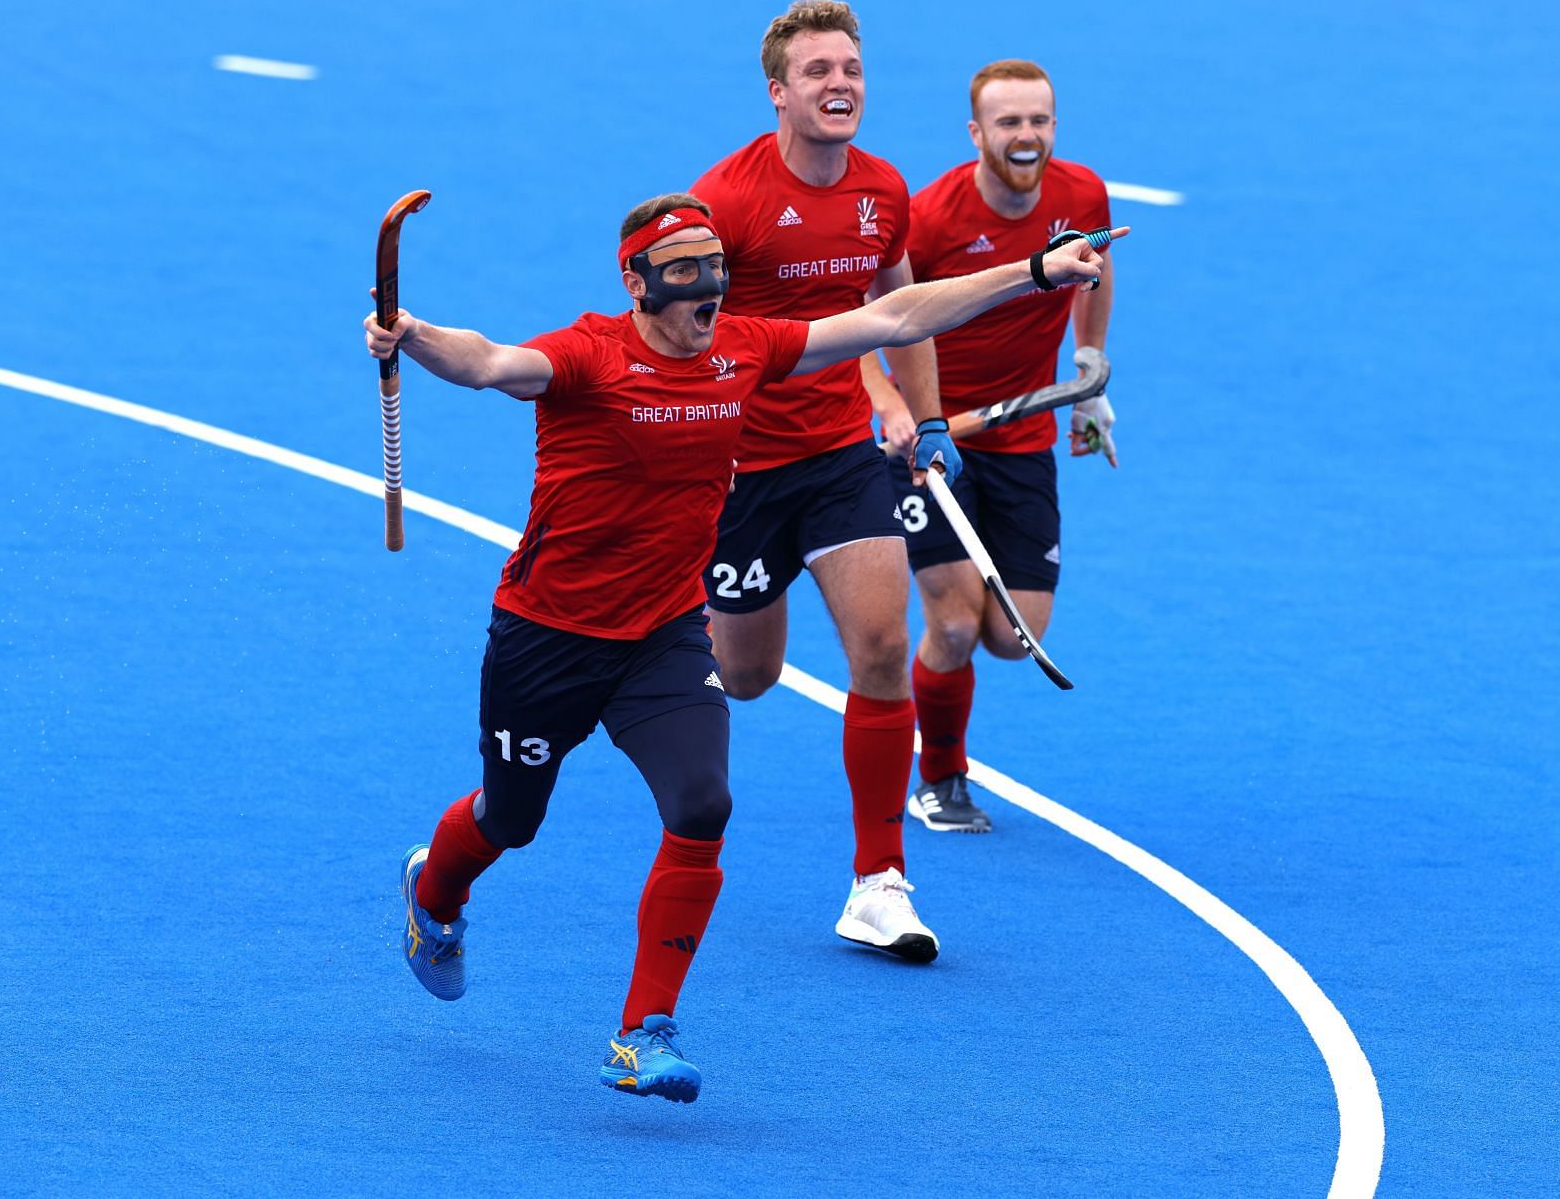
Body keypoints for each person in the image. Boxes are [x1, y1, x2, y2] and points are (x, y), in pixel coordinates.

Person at [365, 193, 1112, 1102]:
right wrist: (416, 334)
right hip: (548, 637)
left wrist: (1033, 273)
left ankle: (643, 1032)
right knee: (510, 820)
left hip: (663, 636)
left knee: (703, 802)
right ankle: (434, 895)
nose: (707, 286)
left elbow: (894, 314)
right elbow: (490, 363)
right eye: (683, 269)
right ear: (636, 281)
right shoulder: (588, 356)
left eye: (713, 266)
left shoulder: (745, 349)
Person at [691, 0, 958, 961]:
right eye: (818, 71)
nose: (839, 83)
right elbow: (681, 337)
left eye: (850, 67)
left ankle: (878, 882)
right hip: (740, 471)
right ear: (779, 93)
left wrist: (919, 416)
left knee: (884, 646)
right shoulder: (724, 205)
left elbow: (903, 308)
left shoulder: (885, 192)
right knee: (750, 677)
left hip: (843, 458)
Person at [876, 59, 1118, 833]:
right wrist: (896, 406)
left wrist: (1089, 369)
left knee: (1014, 640)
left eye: (1038, 121)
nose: (1026, 136)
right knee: (952, 625)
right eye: (1009, 123)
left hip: (1021, 439)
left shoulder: (1082, 195)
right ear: (976, 133)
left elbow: (1095, 265)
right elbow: (870, 323)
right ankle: (940, 777)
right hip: (935, 438)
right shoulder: (931, 218)